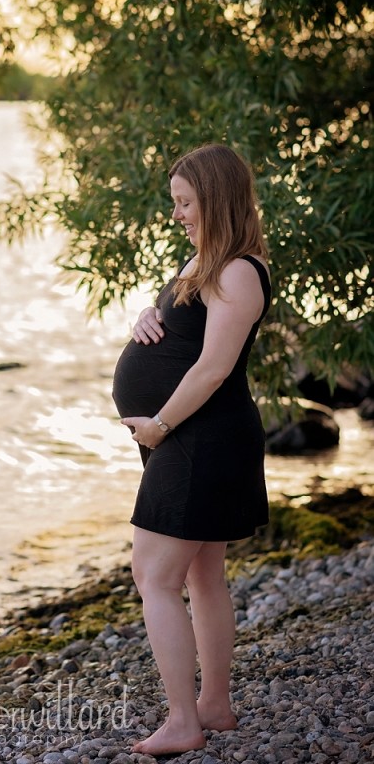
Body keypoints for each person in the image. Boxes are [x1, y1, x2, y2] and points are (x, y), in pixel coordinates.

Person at [112, 143, 271, 757]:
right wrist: (148, 318)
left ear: (217, 198)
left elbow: (211, 370)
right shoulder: (208, 262)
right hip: (194, 438)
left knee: (153, 577)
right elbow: (183, 334)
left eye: (186, 202)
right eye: (175, 202)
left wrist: (156, 426)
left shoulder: (238, 270)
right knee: (204, 577)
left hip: (199, 438)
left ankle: (183, 722)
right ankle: (215, 706)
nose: (177, 213)